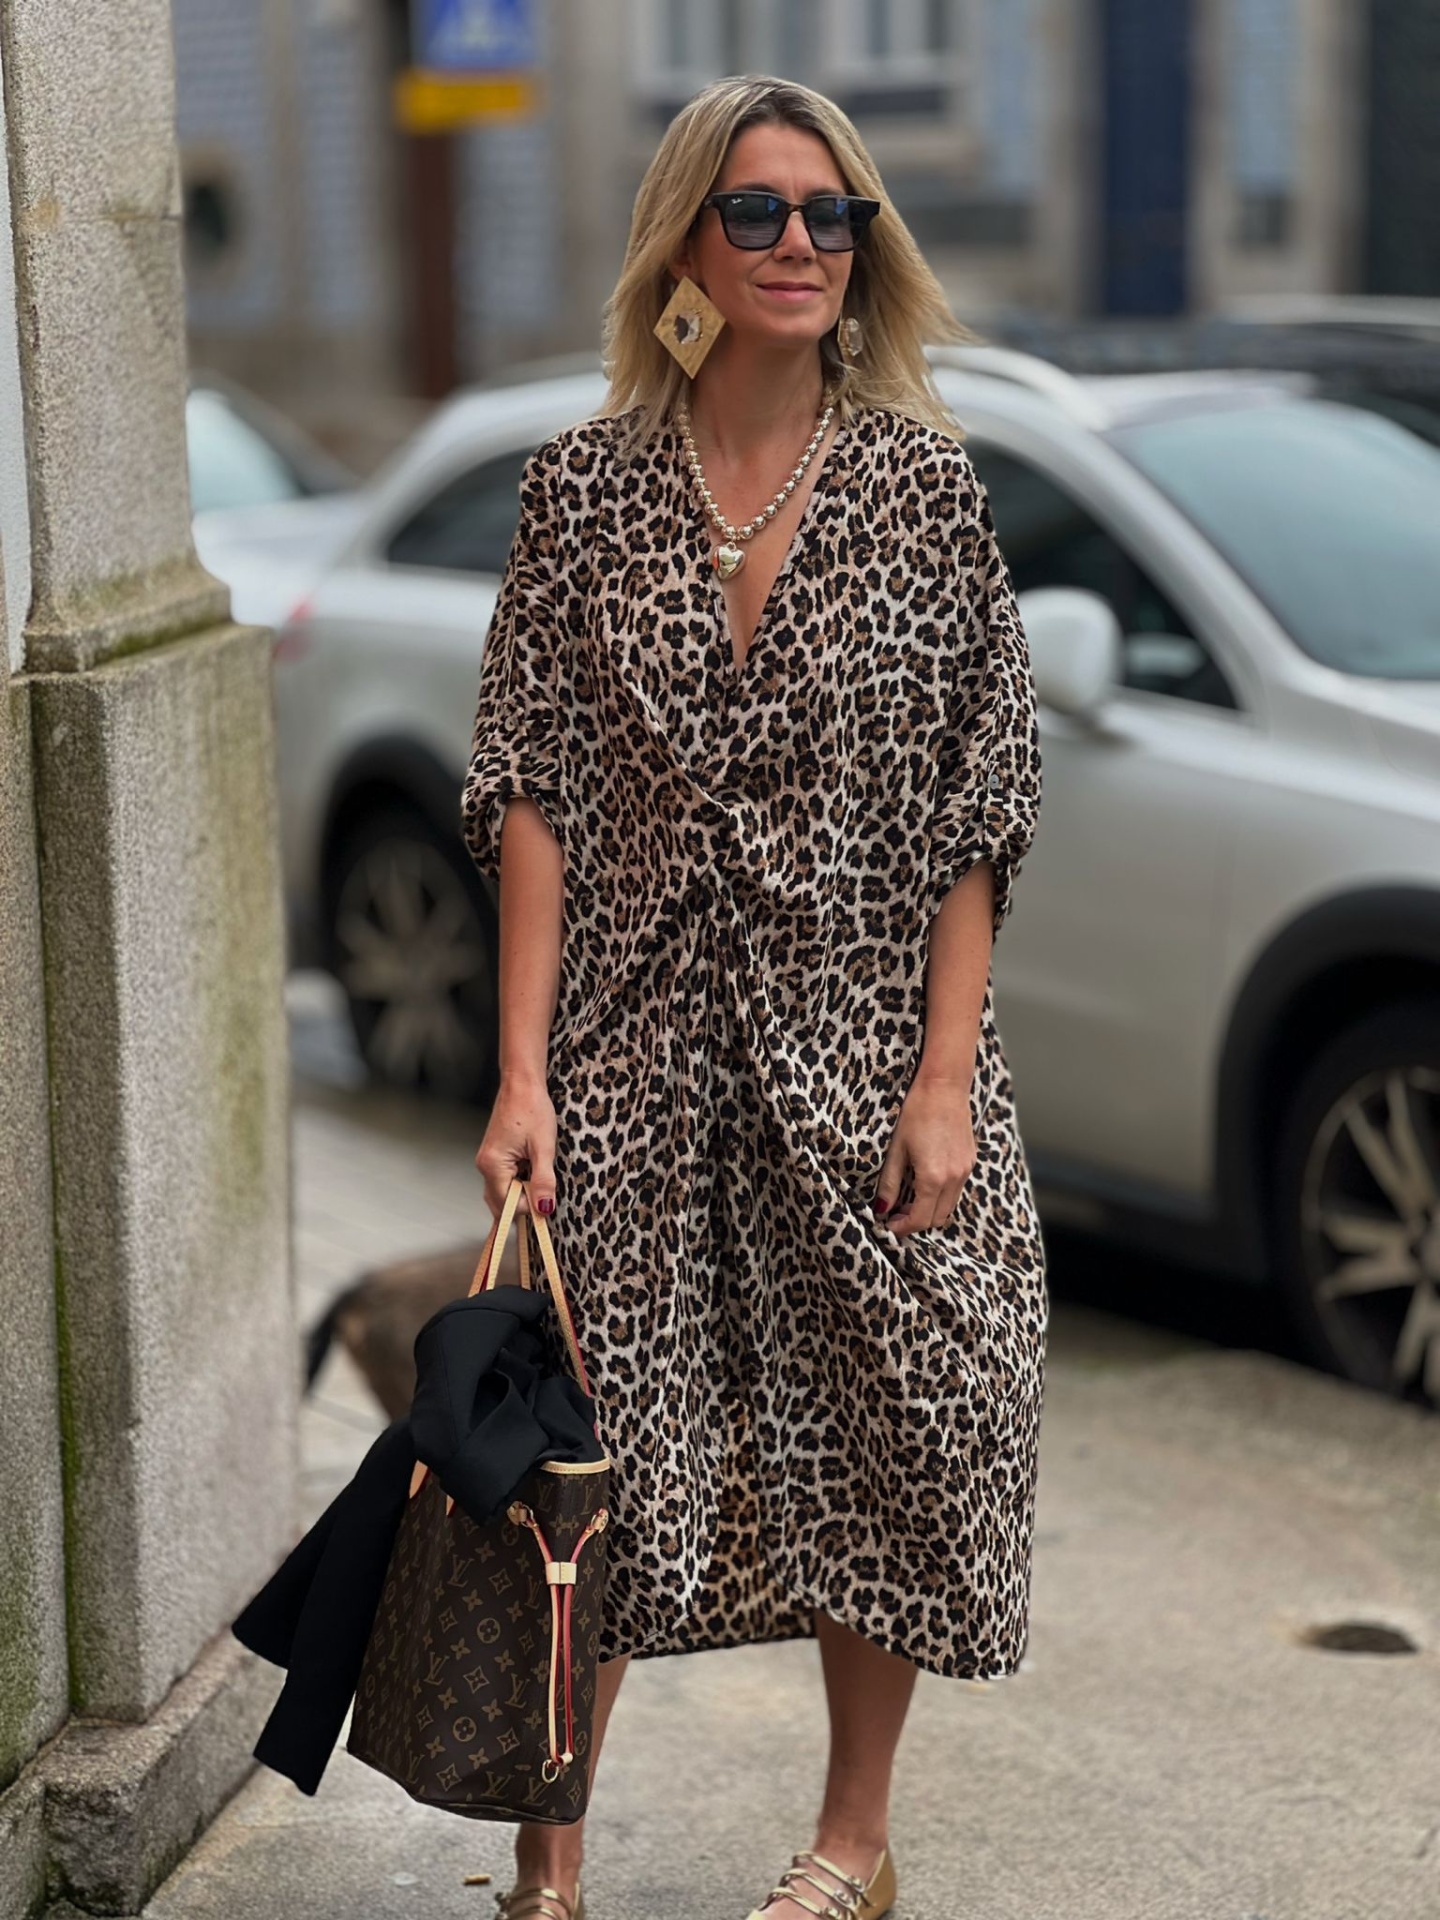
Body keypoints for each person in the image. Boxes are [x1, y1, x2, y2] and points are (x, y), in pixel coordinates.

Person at [463, 72, 1046, 1920]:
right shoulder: (582, 493)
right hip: (628, 1052)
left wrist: (944, 1081)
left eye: (834, 216)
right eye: (761, 212)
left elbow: (979, 803)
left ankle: (853, 1842)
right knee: (589, 1455)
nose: (802, 244)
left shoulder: (923, 492)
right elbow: (533, 787)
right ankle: (548, 1869)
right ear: (684, 246)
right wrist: (520, 1070)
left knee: (888, 1421)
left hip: (862, 1046)